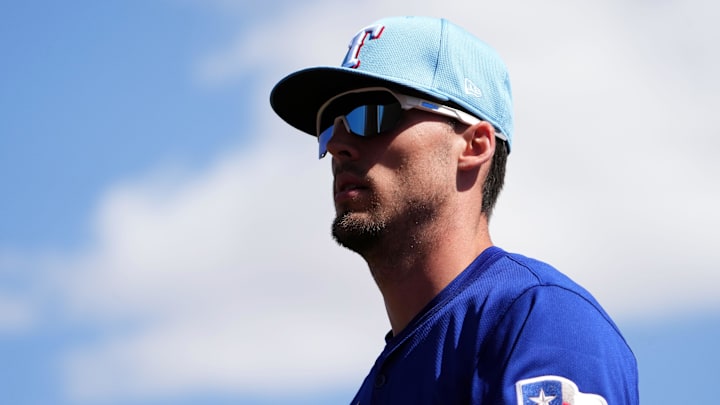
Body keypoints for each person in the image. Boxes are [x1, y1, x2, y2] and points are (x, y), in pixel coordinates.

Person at [270, 16, 638, 405]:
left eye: (373, 112)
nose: (337, 144)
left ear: (475, 145)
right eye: (329, 125)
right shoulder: (374, 387)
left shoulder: (542, 320)